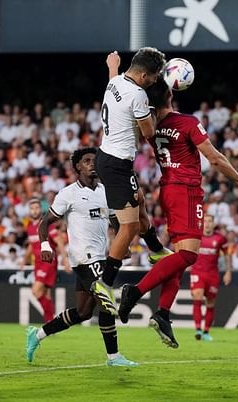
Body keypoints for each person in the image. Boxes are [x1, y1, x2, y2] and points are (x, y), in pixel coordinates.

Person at [117, 76, 238, 348]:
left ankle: (163, 313)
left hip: (167, 189)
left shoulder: (153, 127)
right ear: (170, 95)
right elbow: (214, 158)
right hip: (186, 191)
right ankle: (135, 291)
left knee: (179, 257)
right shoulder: (187, 122)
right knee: (189, 255)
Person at [26, 148, 137, 367]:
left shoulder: (106, 191)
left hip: (100, 257)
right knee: (106, 302)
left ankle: (37, 335)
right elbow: (45, 223)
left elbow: (115, 221)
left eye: (94, 161)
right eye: (86, 161)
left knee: (83, 312)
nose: (91, 164)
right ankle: (113, 357)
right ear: (77, 166)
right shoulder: (68, 193)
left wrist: (122, 244)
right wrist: (45, 244)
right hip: (83, 256)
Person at [91, 48, 171, 314]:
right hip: (117, 164)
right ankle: (105, 282)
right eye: (155, 76)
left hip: (110, 157)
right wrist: (157, 115)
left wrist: (112, 65)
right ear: (144, 74)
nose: (156, 81)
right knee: (129, 226)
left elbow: (113, 76)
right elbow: (149, 133)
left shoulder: (115, 81)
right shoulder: (138, 95)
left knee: (139, 202)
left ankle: (156, 249)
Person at [25, 198, 69, 323]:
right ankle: (50, 323)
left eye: (36, 208)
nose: (34, 211)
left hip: (48, 262)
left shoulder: (46, 225)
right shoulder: (29, 226)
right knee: (46, 294)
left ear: (41, 209)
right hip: (37, 264)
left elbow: (59, 241)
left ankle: (50, 320)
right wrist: (24, 259)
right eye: (32, 208)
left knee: (35, 291)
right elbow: (31, 245)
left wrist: (64, 260)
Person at [190, 214, 232, 342]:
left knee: (210, 303)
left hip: (212, 274)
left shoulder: (220, 239)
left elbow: (227, 255)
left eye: (209, 221)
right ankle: (197, 329)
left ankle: (206, 331)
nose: (207, 224)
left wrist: (228, 271)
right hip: (197, 272)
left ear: (213, 223)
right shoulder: (196, 236)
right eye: (205, 221)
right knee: (197, 295)